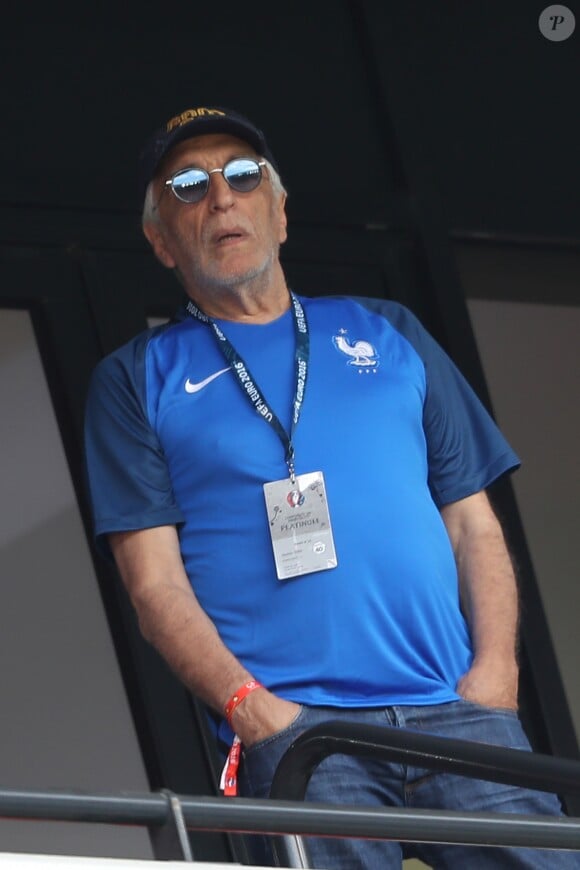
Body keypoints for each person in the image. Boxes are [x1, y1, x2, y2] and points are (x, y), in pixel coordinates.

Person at [84, 105, 578, 869]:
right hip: (302, 729)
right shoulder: (135, 377)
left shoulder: (391, 332)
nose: (219, 196)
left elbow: (473, 525)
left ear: (280, 213)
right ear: (160, 239)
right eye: (187, 185)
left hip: (460, 709)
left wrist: (495, 677)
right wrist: (254, 711)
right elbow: (152, 584)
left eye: (242, 175)